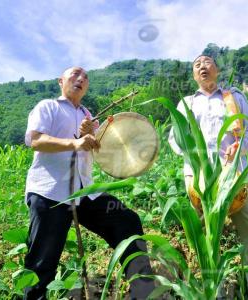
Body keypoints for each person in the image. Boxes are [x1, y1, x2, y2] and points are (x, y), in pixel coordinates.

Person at [23, 66, 154, 299]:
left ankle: (143, 293)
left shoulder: (89, 116)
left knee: (127, 221)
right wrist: (73, 143)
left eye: (86, 77)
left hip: (85, 193)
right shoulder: (48, 106)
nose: (81, 79)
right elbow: (35, 140)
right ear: (60, 81)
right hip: (51, 193)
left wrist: (107, 132)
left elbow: (101, 149)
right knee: (42, 262)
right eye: (75, 74)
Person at [168, 54, 248, 300]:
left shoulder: (233, 97)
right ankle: (207, 288)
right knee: (201, 234)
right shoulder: (186, 104)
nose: (202, 66)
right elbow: (175, 138)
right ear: (194, 75)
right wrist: (194, 154)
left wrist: (241, 147)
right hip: (198, 177)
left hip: (234, 174)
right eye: (196, 64)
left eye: (207, 62)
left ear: (216, 69)